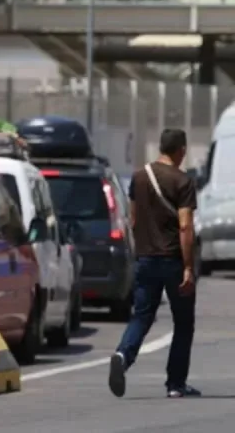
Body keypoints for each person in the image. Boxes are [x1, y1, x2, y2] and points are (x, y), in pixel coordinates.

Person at [108, 128, 199, 399]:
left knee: (142, 315)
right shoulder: (183, 181)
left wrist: (142, 251)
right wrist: (188, 267)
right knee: (183, 322)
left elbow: (133, 220)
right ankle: (175, 383)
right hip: (172, 260)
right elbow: (185, 227)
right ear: (180, 150)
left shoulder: (138, 177)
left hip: (146, 259)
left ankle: (123, 356)